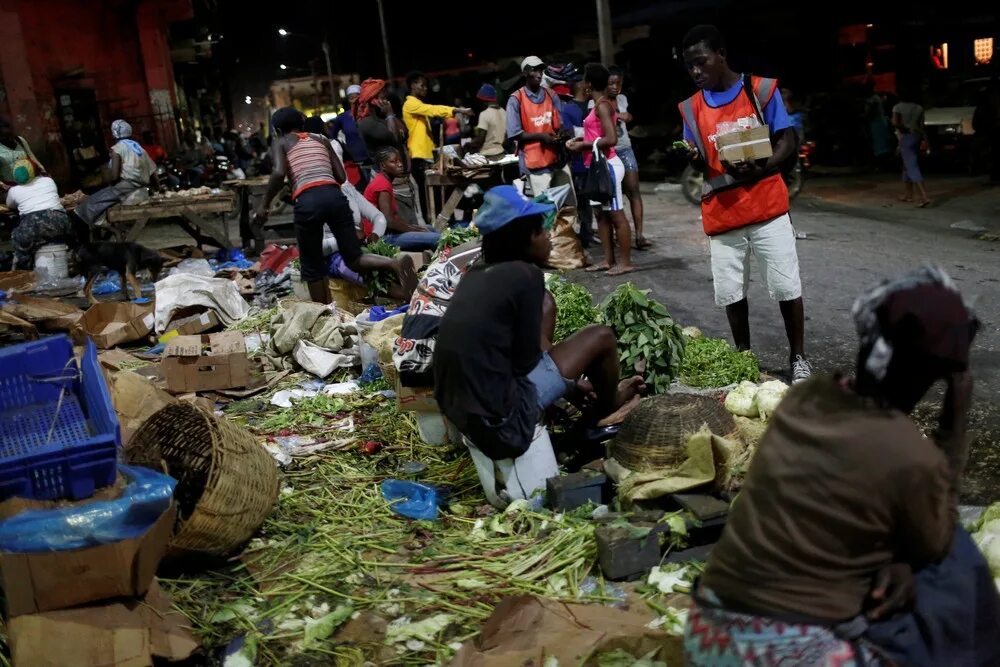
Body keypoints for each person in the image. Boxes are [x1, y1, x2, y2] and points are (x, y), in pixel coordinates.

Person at [684, 266, 999, 667]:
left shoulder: (806, 398)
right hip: (781, 655)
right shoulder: (908, 454)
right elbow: (933, 546)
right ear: (939, 373)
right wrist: (954, 421)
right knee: (954, 557)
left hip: (707, 633)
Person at [434, 185, 644, 460]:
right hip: (502, 427)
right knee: (601, 336)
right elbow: (526, 363)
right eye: (541, 231)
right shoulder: (525, 276)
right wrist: (569, 384)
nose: (548, 237)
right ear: (524, 239)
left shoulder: (478, 272)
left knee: (547, 316)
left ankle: (586, 401)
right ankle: (606, 408)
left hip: (460, 413)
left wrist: (567, 380)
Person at [679, 24, 811, 383]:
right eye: (689, 66)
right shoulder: (690, 108)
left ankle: (798, 358)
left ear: (721, 55)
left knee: (787, 287)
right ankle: (743, 359)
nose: (696, 71)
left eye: (701, 62)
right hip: (723, 214)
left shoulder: (761, 90)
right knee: (731, 292)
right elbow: (698, 159)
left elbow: (786, 139)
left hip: (767, 207)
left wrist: (763, 165)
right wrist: (692, 157)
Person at [255, 107, 416, 304]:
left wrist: (264, 204)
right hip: (335, 196)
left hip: (308, 200)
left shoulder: (281, 142)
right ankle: (393, 263)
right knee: (353, 257)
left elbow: (279, 173)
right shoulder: (321, 139)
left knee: (311, 266)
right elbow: (341, 176)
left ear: (278, 131)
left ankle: (324, 312)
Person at [566, 63, 632, 277]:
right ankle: (608, 260)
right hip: (596, 166)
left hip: (608, 165)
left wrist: (583, 145)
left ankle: (626, 263)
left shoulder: (602, 105)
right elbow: (596, 135)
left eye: (585, 80)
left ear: (589, 83)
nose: (583, 84)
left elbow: (611, 139)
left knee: (616, 215)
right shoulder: (597, 104)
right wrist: (580, 140)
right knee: (601, 217)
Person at [402, 72, 472, 221]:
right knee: (426, 195)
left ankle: (442, 220)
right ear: (413, 86)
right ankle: (432, 223)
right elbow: (432, 110)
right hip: (418, 156)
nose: (425, 88)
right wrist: (457, 110)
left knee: (434, 192)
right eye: (422, 85)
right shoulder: (411, 104)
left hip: (427, 154)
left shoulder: (418, 105)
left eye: (426, 86)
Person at [506, 56, 576, 202]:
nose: (539, 74)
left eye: (540, 70)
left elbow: (560, 123)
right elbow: (514, 133)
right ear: (525, 73)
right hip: (535, 162)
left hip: (558, 159)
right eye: (534, 70)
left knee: (568, 206)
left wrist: (563, 134)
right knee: (545, 210)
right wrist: (541, 136)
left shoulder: (551, 95)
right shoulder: (516, 99)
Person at [74, 120, 159, 226]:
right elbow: (153, 173)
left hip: (127, 189)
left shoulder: (117, 148)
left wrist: (109, 184)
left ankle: (103, 226)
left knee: (90, 203)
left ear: (114, 133)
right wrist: (157, 190)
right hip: (142, 191)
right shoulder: (139, 148)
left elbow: (114, 177)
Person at [364, 146, 441, 251]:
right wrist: (413, 229)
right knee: (437, 238)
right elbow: (389, 221)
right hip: (382, 238)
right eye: (394, 162)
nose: (400, 164)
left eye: (399, 161)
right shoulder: (382, 185)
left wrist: (414, 228)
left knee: (429, 228)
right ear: (383, 166)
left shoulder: (385, 181)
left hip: (388, 233)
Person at [607, 67, 648, 250]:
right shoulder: (598, 102)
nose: (615, 87)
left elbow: (629, 116)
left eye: (618, 83)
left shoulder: (622, 99)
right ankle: (619, 234)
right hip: (608, 151)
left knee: (634, 191)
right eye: (611, 83)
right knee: (613, 195)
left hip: (625, 148)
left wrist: (627, 116)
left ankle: (639, 235)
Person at [5, 159, 72, 269]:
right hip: (59, 220)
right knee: (70, 238)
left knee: (19, 242)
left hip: (32, 226)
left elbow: (10, 205)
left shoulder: (14, 191)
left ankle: (25, 273)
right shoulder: (48, 181)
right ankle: (72, 260)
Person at [560, 79, 595, 248]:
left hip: (595, 159)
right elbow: (570, 134)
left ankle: (591, 232)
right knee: (582, 201)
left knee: (598, 199)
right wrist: (592, 134)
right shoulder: (567, 108)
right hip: (579, 162)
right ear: (580, 86)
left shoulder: (594, 104)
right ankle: (586, 235)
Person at [893, 90, 932, 207]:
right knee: (907, 164)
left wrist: (904, 129)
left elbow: (896, 123)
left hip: (906, 136)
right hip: (917, 136)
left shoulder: (898, 107)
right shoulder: (919, 107)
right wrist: (926, 140)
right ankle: (908, 195)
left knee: (911, 166)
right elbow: (922, 125)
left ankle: (924, 197)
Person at [330, 84, 371, 174]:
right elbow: (332, 137)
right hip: (355, 160)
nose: (354, 100)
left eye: (356, 97)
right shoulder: (342, 117)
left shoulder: (370, 113)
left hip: (373, 158)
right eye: (351, 98)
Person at [0, 117, 44, 187]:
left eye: (11, 135)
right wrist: (3, 185)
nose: (10, 138)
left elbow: (32, 157)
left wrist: (42, 169)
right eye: (5, 137)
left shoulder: (20, 140)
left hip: (29, 183)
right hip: (11, 187)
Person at [468, 84, 507, 159]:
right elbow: (506, 135)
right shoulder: (503, 111)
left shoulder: (484, 114)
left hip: (488, 154)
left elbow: (481, 139)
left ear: (484, 101)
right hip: (501, 152)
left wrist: (470, 144)